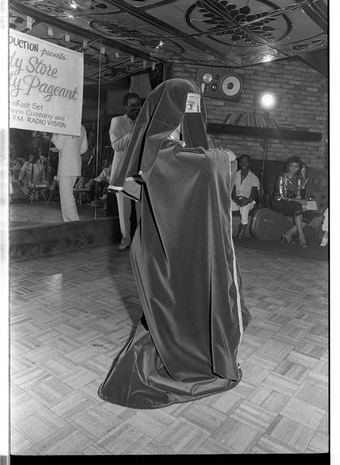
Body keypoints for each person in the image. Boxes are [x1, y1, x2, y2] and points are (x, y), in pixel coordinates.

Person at [98, 78, 250, 409]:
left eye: (196, 106)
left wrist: (212, 157)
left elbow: (197, 173)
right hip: (161, 249)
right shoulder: (158, 145)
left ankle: (202, 349)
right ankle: (182, 356)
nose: (192, 113)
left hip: (185, 242)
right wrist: (220, 158)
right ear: (171, 108)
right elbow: (182, 165)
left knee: (196, 297)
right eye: (187, 106)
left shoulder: (187, 144)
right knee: (173, 305)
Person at [109, 92, 141, 250]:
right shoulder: (117, 121)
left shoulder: (144, 122)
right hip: (122, 173)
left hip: (138, 173)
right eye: (132, 105)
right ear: (125, 107)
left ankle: (141, 241)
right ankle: (126, 238)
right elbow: (116, 146)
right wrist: (131, 134)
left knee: (141, 209)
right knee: (124, 209)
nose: (136, 108)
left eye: (138, 105)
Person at [271, 156, 317, 247]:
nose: (294, 168)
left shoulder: (298, 179)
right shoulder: (282, 177)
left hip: (292, 204)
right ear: (288, 166)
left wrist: (302, 204)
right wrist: (298, 201)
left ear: (299, 168)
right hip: (278, 202)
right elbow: (281, 196)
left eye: (296, 166)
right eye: (292, 165)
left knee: (311, 211)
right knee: (297, 206)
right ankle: (301, 235)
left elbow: (299, 196)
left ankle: (288, 233)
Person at [51, 124, 88, 222]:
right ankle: (70, 219)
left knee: (66, 195)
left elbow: (58, 145)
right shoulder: (82, 128)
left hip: (66, 166)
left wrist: (54, 134)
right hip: (76, 164)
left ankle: (72, 220)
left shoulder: (65, 125)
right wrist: (71, 149)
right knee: (68, 193)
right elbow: (84, 149)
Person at [231, 154, 260, 239]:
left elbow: (253, 196)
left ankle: (243, 227)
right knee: (224, 203)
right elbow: (233, 193)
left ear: (250, 164)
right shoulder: (234, 175)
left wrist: (245, 200)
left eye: (246, 162)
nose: (244, 164)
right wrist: (237, 200)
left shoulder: (254, 178)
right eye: (242, 162)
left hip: (249, 202)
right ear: (239, 164)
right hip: (236, 201)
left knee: (245, 205)